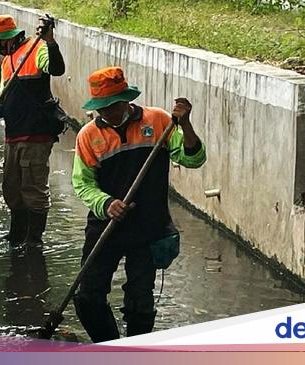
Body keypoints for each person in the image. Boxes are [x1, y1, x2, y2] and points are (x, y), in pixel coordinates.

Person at [71, 66, 206, 342]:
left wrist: (186, 124)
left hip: (148, 226)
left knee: (140, 300)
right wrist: (106, 204)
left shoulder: (158, 121)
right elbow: (82, 184)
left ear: (125, 100)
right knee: (88, 296)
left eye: (111, 106)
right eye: (101, 108)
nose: (106, 113)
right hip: (106, 226)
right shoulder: (88, 136)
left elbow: (193, 159)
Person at [0, 14, 66, 248]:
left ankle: (34, 241)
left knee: (33, 188)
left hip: (36, 133)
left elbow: (56, 68)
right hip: (13, 135)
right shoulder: (7, 63)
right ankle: (17, 235)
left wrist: (51, 42)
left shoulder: (38, 49)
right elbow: (4, 102)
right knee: (11, 188)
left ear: (7, 39)